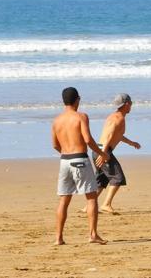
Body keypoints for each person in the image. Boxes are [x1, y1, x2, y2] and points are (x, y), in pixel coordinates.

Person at [51, 87, 109, 245]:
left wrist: (66, 152)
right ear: (77, 100)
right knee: (91, 198)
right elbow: (88, 140)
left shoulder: (56, 120)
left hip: (64, 161)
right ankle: (93, 234)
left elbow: (55, 145)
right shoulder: (81, 117)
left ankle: (58, 238)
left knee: (64, 200)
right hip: (80, 159)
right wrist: (102, 153)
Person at [91, 93, 141, 214]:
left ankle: (89, 206)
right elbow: (109, 135)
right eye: (131, 103)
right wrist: (103, 154)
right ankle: (106, 204)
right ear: (127, 104)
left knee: (102, 181)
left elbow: (117, 135)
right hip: (103, 151)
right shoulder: (119, 118)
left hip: (98, 150)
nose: (131, 106)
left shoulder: (114, 116)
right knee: (118, 178)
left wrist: (131, 142)